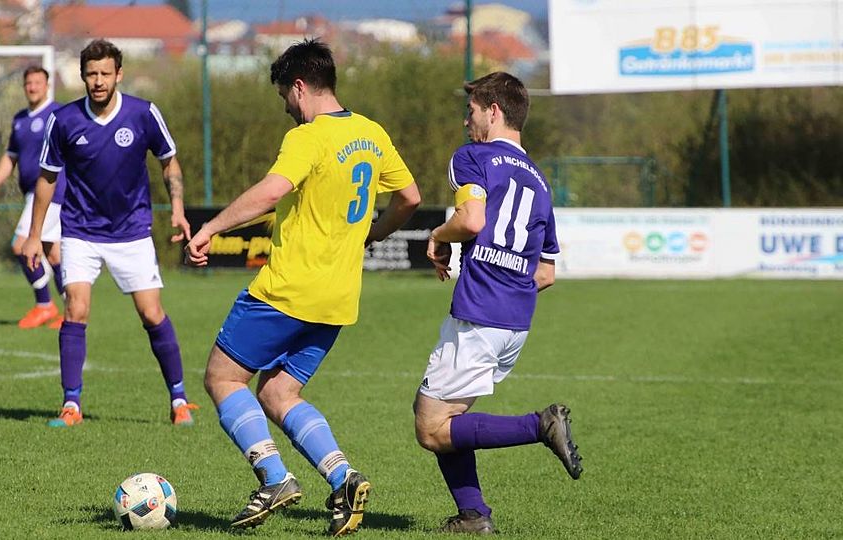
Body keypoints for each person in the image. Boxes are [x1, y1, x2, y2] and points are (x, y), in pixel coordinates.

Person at [185, 39, 421, 536]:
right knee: (278, 392)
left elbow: (273, 190)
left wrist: (211, 228)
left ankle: (274, 479)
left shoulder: (308, 137)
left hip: (288, 289)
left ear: (298, 86)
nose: (286, 109)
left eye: (284, 97)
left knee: (222, 379)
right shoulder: (371, 133)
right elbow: (410, 197)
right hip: (338, 297)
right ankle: (344, 478)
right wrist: (374, 233)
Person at [413, 71, 583, 534]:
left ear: (493, 112)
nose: (465, 121)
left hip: (479, 314)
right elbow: (545, 272)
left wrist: (438, 234)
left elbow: (470, 221)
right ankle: (473, 516)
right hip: (515, 322)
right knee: (451, 419)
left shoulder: (473, 157)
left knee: (431, 427)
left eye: (470, 111)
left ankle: (540, 425)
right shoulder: (540, 181)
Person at [23, 39, 197, 428]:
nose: (98, 81)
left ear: (119, 74)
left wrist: (178, 209)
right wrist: (35, 234)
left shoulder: (143, 113)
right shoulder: (64, 120)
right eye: (91, 74)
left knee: (151, 313)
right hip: (80, 230)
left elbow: (169, 161)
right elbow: (47, 178)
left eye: (105, 73)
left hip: (132, 231)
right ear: (82, 76)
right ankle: (71, 405)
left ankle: (179, 398)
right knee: (76, 308)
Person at [0, 66, 65, 329]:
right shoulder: (20, 120)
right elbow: (10, 157)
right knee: (52, 254)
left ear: (47, 85)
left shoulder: (58, 115)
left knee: (21, 245)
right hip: (31, 194)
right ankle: (72, 310)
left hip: (52, 193)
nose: (33, 87)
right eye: (29, 83)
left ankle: (45, 305)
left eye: (38, 82)